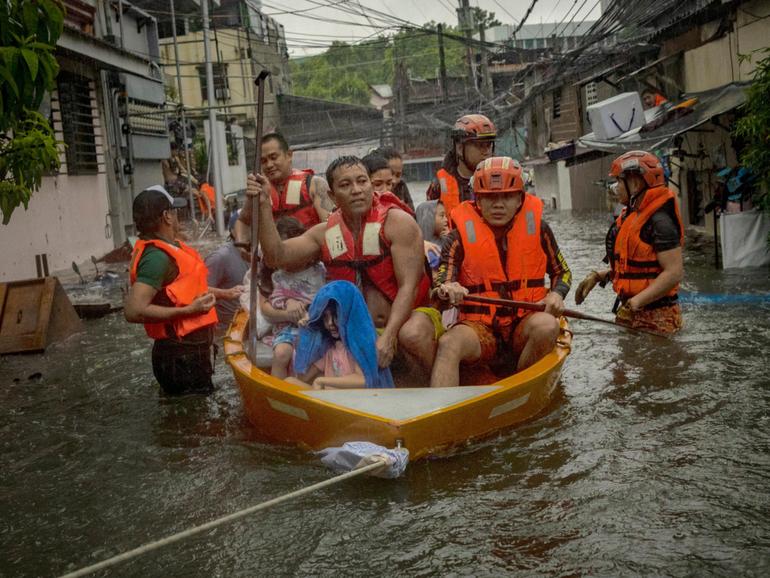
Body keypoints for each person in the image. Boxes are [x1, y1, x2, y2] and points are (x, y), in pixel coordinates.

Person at [246, 155, 430, 369]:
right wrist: (263, 206)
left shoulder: (398, 222)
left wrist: (389, 336)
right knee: (310, 357)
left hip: (410, 318)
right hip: (356, 328)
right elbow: (277, 256)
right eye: (346, 184)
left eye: (362, 181)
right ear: (333, 197)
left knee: (412, 334)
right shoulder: (325, 233)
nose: (356, 190)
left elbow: (410, 286)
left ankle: (437, 391)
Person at [428, 157, 572, 388]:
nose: (498, 204)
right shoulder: (457, 237)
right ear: (478, 201)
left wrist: (557, 294)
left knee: (548, 326)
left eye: (507, 196)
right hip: (481, 329)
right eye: (490, 197)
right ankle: (438, 414)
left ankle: (521, 389)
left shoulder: (540, 229)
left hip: (524, 324)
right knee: (449, 343)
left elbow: (562, 272)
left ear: (519, 199)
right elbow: (444, 279)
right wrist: (448, 288)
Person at [124, 186, 241, 395]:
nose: (177, 216)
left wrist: (225, 293)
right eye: (174, 211)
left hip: (189, 354)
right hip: (180, 357)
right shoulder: (156, 258)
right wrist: (187, 311)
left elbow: (184, 289)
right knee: (193, 421)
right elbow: (133, 311)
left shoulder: (171, 248)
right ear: (166, 217)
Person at [574, 150, 684, 334]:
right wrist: (599, 276)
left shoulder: (660, 221)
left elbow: (674, 272)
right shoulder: (630, 215)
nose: (616, 187)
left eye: (619, 181)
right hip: (631, 312)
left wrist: (635, 302)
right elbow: (633, 268)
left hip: (658, 317)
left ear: (634, 183)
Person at [289, 281, 394, 389]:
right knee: (289, 382)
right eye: (325, 317)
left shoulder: (358, 345)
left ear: (348, 315)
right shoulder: (330, 348)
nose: (330, 323)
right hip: (330, 399)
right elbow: (302, 378)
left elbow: (363, 380)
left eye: (336, 315)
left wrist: (322, 381)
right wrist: (305, 335)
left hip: (352, 402)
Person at [236, 132, 333, 244]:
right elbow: (242, 221)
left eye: (273, 157)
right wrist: (242, 246)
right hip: (272, 256)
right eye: (263, 161)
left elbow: (331, 226)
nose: (269, 165)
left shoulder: (314, 184)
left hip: (311, 254)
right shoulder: (258, 190)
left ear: (289, 155)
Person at [260, 217, 326, 378]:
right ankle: (277, 391)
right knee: (282, 353)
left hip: (316, 324)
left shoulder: (321, 271)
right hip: (289, 327)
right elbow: (274, 298)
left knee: (323, 351)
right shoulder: (278, 276)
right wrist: (288, 303)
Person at [426, 114, 496, 225]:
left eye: (488, 145)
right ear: (459, 148)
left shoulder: (500, 179)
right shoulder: (438, 185)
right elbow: (429, 227)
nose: (486, 151)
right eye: (480, 145)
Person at [204, 216, 247, 332]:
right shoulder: (219, 258)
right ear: (233, 231)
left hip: (250, 324)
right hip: (226, 330)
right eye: (245, 227)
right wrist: (225, 293)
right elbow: (199, 291)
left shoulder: (260, 254)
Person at [374, 146, 414, 211]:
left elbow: (412, 215)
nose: (394, 181)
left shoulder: (401, 186)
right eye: (391, 173)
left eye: (398, 175)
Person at [415, 200, 449, 274]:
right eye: (442, 216)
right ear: (428, 218)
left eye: (446, 216)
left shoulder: (448, 240)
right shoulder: (416, 249)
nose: (446, 220)